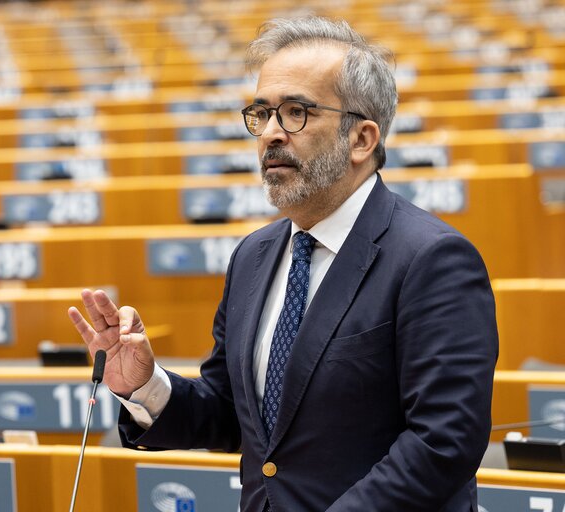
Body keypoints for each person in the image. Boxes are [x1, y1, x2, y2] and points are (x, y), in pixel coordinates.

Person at [68, 15, 498, 512]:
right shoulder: (254, 256)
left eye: (296, 112)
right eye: (262, 113)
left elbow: (443, 443)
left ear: (361, 139)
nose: (271, 133)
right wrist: (143, 385)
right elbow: (235, 416)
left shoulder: (432, 259)